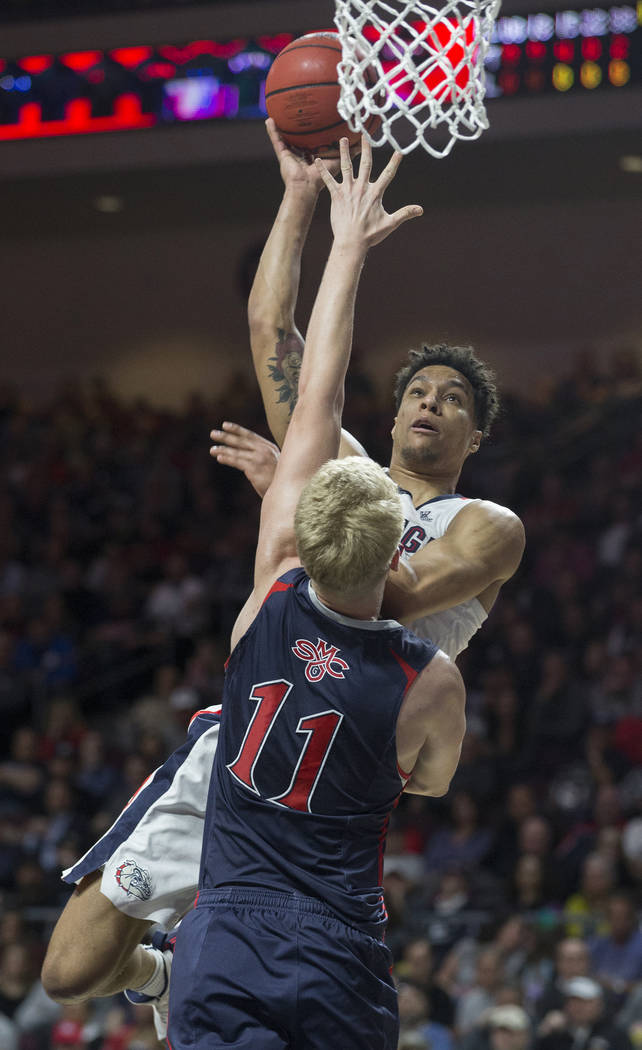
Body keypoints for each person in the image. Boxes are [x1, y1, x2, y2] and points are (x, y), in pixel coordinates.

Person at [42, 123, 524, 1036]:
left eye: (454, 399)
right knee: (70, 969)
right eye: (420, 387)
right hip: (253, 736)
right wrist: (297, 200)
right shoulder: (342, 475)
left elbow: (380, 589)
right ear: (391, 414)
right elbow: (275, 331)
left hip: (349, 756)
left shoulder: (487, 524)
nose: (431, 400)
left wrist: (299, 512)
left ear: (476, 438)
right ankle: (158, 976)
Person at [167, 137, 464, 1049]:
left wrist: (339, 238)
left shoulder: (272, 591)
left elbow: (320, 391)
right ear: (392, 560)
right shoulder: (429, 674)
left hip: (224, 930)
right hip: (335, 948)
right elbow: (432, 783)